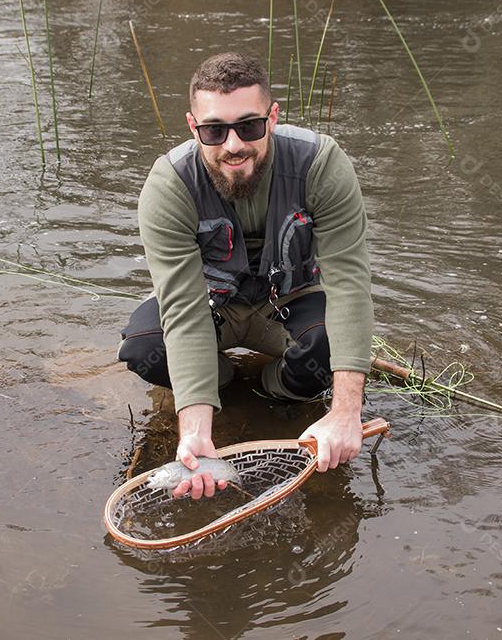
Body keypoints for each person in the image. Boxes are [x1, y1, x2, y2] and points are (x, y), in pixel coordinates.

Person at [118, 52, 374, 500]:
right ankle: (220, 382)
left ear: (272, 117)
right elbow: (182, 307)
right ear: (192, 126)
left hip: (288, 303)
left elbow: (350, 284)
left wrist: (346, 411)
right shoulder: (168, 186)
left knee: (326, 351)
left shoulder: (321, 164)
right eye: (214, 130)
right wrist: (195, 429)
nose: (233, 145)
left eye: (249, 126)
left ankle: (275, 384)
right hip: (210, 308)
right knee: (145, 348)